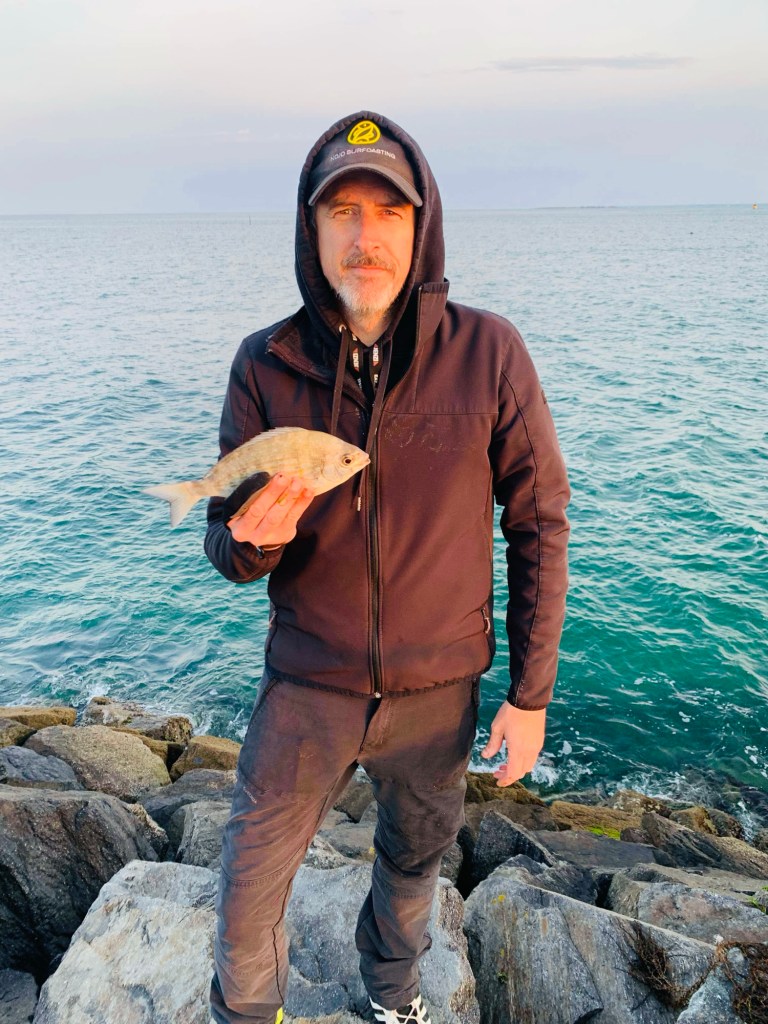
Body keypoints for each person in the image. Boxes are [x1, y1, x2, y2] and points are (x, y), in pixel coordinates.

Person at [205, 111, 571, 1024]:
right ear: (312, 227)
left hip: (438, 698)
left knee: (411, 871)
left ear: (422, 225)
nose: (365, 235)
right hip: (306, 687)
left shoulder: (490, 353)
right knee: (246, 893)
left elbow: (538, 522)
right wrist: (254, 540)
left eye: (389, 212)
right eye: (343, 211)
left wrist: (530, 696)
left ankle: (393, 999)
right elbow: (226, 547)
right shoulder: (264, 365)